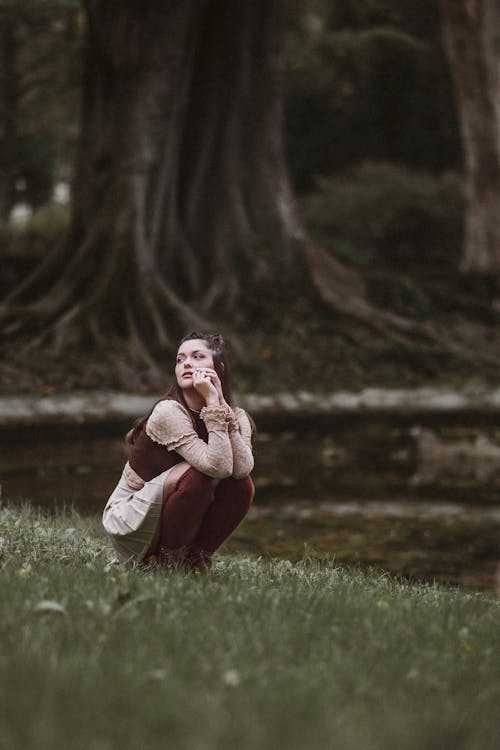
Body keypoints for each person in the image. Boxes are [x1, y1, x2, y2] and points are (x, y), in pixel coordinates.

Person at [102, 333, 255, 571]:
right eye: (180, 359)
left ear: (219, 368)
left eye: (197, 356)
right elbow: (218, 468)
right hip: (131, 518)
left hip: (167, 508)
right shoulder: (169, 411)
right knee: (198, 475)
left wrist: (220, 406)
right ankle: (168, 561)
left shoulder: (238, 415)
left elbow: (241, 469)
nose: (186, 363)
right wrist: (214, 406)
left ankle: (196, 558)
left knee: (242, 485)